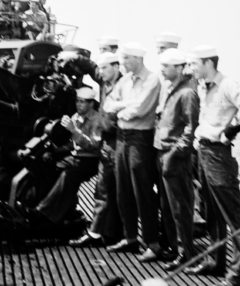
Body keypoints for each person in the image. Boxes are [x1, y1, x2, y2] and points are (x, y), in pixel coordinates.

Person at [184, 45, 240, 286]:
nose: (190, 68)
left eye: (194, 63)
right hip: (203, 151)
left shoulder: (227, 84)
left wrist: (232, 131)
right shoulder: (203, 86)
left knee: (232, 214)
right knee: (211, 212)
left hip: (218, 155)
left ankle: (237, 277)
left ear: (208, 62)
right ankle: (216, 264)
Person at [103, 43, 163, 261]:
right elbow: (108, 106)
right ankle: (130, 237)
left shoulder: (152, 80)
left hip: (140, 140)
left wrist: (122, 108)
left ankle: (152, 244)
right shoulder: (125, 80)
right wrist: (125, 106)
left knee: (143, 191)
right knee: (123, 189)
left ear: (138, 59)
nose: (123, 63)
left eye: (126, 59)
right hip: (121, 138)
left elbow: (138, 111)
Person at [69, 52, 124, 248]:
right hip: (107, 145)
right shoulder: (105, 84)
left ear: (117, 68)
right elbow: (92, 68)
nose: (100, 73)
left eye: (105, 68)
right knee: (103, 190)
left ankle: (115, 234)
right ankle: (99, 233)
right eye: (100, 69)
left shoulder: (124, 86)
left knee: (119, 191)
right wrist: (73, 57)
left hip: (120, 142)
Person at [153, 48, 199, 271]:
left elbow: (190, 130)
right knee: (168, 206)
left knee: (180, 207)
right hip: (162, 151)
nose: (162, 70)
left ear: (179, 68)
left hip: (175, 156)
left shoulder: (187, 93)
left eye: (166, 67)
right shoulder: (171, 89)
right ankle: (175, 248)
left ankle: (186, 253)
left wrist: (174, 154)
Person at [34, 87, 103, 223]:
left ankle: (42, 212)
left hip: (91, 160)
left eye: (83, 102)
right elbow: (70, 144)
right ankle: (64, 211)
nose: (78, 104)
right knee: (52, 169)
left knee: (69, 175)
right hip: (76, 157)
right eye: (77, 101)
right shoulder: (75, 117)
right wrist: (52, 149)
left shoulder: (97, 120)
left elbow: (93, 146)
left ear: (91, 104)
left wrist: (74, 130)